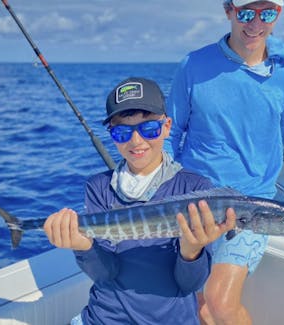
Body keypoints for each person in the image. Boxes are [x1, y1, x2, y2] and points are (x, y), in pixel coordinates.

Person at [165, 0, 284, 324]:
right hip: (194, 203)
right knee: (199, 305)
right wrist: (164, 191)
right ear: (228, 10)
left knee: (221, 302)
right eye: (246, 12)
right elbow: (171, 136)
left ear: (278, 15)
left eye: (266, 13)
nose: (256, 23)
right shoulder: (193, 65)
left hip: (250, 205)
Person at [43, 77, 236, 324]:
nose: (136, 141)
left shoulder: (196, 188)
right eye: (122, 132)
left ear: (167, 127)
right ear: (112, 135)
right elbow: (106, 274)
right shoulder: (99, 187)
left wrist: (191, 251)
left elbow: (190, 284)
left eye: (149, 129)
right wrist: (83, 247)